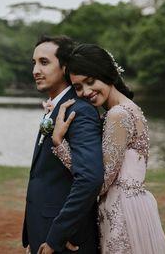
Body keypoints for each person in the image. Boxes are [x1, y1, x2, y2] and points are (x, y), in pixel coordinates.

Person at [51, 43, 165, 254]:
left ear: (106, 74)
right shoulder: (127, 109)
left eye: (90, 81)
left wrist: (60, 144)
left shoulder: (118, 115)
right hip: (132, 206)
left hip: (121, 213)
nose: (86, 92)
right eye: (78, 87)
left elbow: (101, 183)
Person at [22, 35, 104, 254]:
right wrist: (35, 232)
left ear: (65, 67)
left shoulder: (80, 111)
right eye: (34, 63)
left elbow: (89, 179)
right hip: (44, 229)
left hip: (66, 240)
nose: (35, 70)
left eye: (44, 62)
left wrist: (57, 236)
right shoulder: (56, 108)